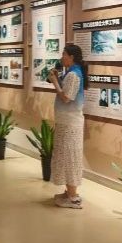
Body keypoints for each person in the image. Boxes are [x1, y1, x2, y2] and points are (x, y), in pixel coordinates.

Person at [47, 44, 88, 210]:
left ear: (71, 57)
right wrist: (58, 79)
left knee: (70, 158)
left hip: (70, 124)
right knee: (65, 157)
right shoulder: (71, 73)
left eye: (64, 54)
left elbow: (66, 98)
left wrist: (55, 82)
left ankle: (73, 197)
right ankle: (69, 191)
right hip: (66, 122)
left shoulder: (73, 75)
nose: (61, 57)